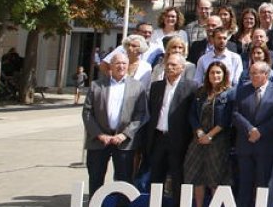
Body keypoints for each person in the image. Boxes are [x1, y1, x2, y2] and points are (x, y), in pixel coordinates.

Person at [82, 51, 149, 199]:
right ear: (111, 66)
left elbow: (141, 114)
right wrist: (99, 134)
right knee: (95, 178)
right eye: (117, 63)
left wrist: (125, 134)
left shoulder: (137, 87)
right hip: (98, 141)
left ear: (128, 65)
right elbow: (87, 112)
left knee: (124, 181)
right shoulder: (96, 86)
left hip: (124, 142)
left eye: (124, 63)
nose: (121, 66)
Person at [233, 60, 273, 206]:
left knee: (265, 184)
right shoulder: (242, 90)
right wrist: (250, 129)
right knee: (244, 184)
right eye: (250, 73)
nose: (251, 76)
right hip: (246, 144)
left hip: (266, 145)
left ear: (266, 74)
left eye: (255, 73)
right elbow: (235, 113)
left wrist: (260, 131)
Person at [144, 54, 198, 200]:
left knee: (177, 178)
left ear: (182, 68)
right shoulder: (156, 86)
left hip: (179, 140)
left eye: (174, 65)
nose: (169, 67)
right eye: (168, 64)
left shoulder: (191, 87)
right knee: (156, 177)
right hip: (158, 138)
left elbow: (193, 114)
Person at [183, 61, 234, 207]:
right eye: (212, 72)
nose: (215, 75)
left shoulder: (230, 93)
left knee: (215, 177)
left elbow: (227, 118)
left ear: (224, 74)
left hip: (217, 141)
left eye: (218, 72)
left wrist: (210, 135)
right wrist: (199, 132)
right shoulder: (200, 92)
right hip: (198, 139)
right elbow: (192, 114)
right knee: (196, 175)